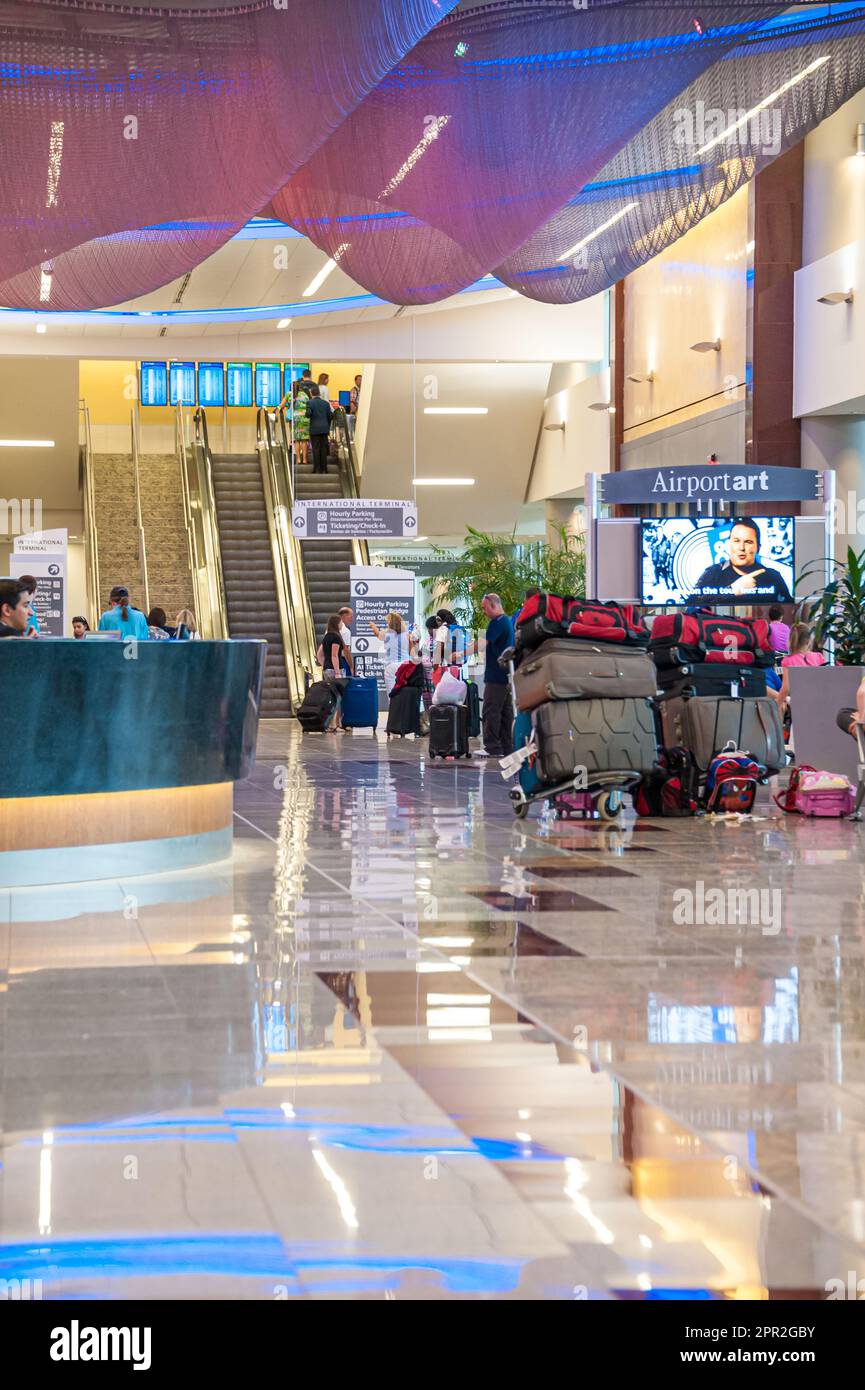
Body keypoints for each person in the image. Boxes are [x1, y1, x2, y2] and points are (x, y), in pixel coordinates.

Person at [687, 518, 793, 604]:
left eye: (748, 542)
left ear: (758, 548)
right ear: (728, 544)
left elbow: (788, 607)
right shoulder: (713, 573)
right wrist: (731, 591)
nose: (741, 547)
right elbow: (691, 605)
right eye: (736, 541)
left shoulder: (773, 576)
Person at [477, 593, 514, 758]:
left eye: (484, 608)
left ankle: (492, 746)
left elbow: (483, 644)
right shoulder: (507, 621)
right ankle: (506, 747)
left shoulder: (497, 623)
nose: (484, 612)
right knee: (505, 712)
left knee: (491, 710)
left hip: (495, 676)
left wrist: (459, 654)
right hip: (506, 675)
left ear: (493, 605)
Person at [771, 622, 825, 711]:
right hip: (819, 701)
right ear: (809, 641)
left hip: (799, 703)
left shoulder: (788, 661)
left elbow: (785, 689)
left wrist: (777, 704)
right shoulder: (819, 657)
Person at [370, 611, 415, 693]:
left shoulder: (386, 633)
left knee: (391, 693)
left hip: (391, 666)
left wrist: (373, 626)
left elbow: (377, 634)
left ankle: (393, 705)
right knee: (404, 692)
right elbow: (412, 651)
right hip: (405, 665)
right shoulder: (407, 634)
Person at [320, 613, 349, 732]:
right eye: (340, 622)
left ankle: (329, 723)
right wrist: (337, 672)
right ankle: (336, 724)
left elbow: (319, 654)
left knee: (330, 697)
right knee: (338, 698)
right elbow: (334, 656)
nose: (342, 623)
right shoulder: (336, 637)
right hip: (336, 670)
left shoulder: (326, 636)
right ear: (337, 624)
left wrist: (325, 666)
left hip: (327, 669)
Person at [306, 383, 334, 475]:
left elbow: (308, 414)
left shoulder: (310, 402)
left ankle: (317, 469)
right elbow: (330, 416)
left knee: (316, 449)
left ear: (311, 393)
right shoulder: (326, 403)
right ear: (319, 393)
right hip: (324, 429)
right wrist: (327, 426)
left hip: (314, 429)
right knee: (323, 449)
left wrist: (309, 411)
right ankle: (324, 469)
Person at [338, 606, 354, 675]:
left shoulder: (329, 629)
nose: (352, 619)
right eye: (351, 617)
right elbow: (346, 651)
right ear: (344, 616)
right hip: (342, 662)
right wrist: (351, 666)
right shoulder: (345, 631)